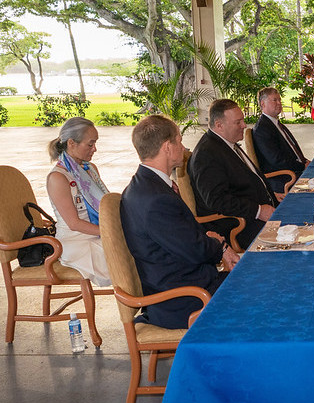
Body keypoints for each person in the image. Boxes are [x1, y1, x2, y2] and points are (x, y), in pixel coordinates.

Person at [121, 115, 239, 329]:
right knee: (261, 290)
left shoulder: (146, 185)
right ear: (167, 147)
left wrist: (213, 240)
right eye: (179, 140)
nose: (183, 147)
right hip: (183, 299)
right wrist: (220, 246)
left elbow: (185, 235)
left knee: (256, 276)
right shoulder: (155, 199)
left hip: (187, 282)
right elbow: (195, 250)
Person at [188, 99, 279, 248]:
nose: (244, 125)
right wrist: (259, 211)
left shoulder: (226, 143)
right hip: (239, 226)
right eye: (238, 122)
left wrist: (271, 195)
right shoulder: (206, 154)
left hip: (259, 213)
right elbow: (217, 200)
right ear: (219, 125)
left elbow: (246, 181)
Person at [46, 117, 111, 286]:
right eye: (90, 144)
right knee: (124, 256)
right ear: (71, 143)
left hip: (96, 234)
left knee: (139, 246)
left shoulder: (90, 169)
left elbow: (105, 204)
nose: (95, 149)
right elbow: (74, 223)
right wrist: (111, 232)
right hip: (76, 242)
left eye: (95, 143)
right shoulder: (58, 177)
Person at [252, 87, 310, 193]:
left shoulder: (276, 124)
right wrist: (302, 166)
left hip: (294, 170)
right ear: (263, 104)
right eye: (274, 100)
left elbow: (292, 151)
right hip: (283, 177)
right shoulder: (262, 129)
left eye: (279, 100)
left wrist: (305, 161)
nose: (279, 103)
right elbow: (277, 160)